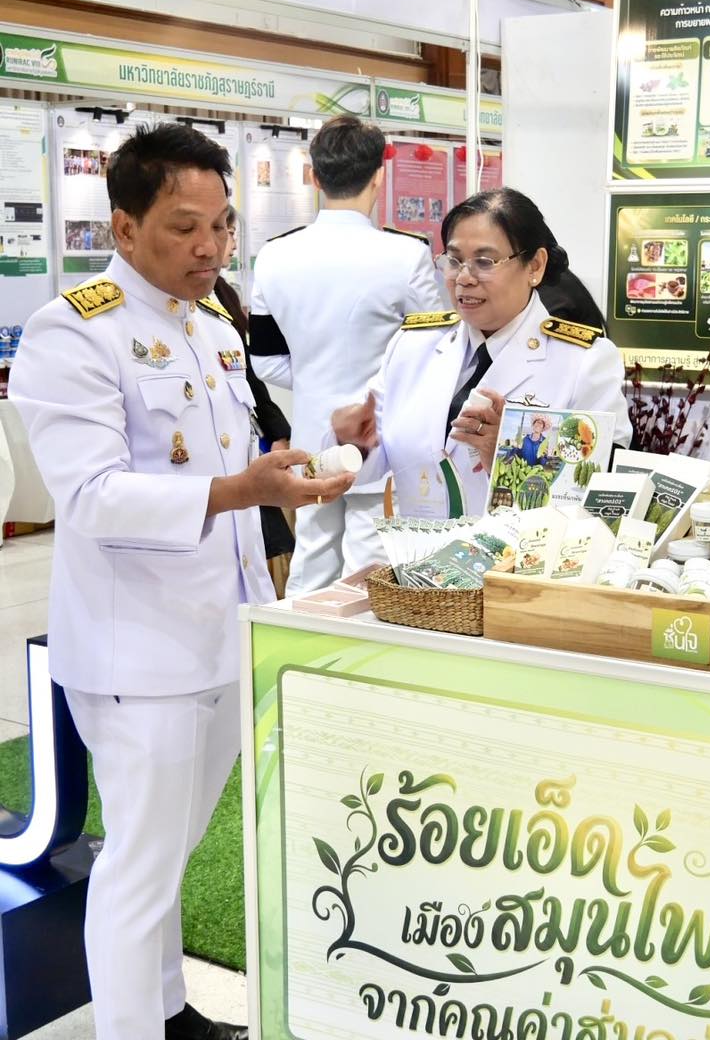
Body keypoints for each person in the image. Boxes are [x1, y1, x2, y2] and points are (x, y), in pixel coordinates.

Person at [9, 123, 355, 1040]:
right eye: (184, 227)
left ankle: (168, 1011)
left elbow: (236, 459)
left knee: (168, 852)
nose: (210, 247)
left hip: (220, 630)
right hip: (137, 650)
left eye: (223, 225)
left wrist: (311, 456)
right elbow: (92, 496)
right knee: (138, 868)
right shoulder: (73, 331)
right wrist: (244, 489)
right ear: (124, 228)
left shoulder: (212, 327)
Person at [329, 188, 632, 518]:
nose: (463, 278)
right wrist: (354, 443)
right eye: (454, 260)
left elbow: (601, 499)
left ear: (535, 265)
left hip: (517, 551)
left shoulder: (584, 361)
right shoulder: (413, 346)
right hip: (415, 547)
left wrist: (508, 459)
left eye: (484, 262)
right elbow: (371, 466)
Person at [249, 114, 440, 590]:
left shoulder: (274, 254)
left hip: (311, 435)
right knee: (371, 567)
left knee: (310, 563)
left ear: (314, 177)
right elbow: (433, 350)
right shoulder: (406, 254)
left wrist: (313, 378)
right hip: (383, 436)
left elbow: (265, 360)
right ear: (379, 175)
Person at [214, 209, 295, 592]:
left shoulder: (223, 294)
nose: (228, 243)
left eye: (226, 230)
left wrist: (276, 429)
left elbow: (247, 375)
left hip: (248, 434)